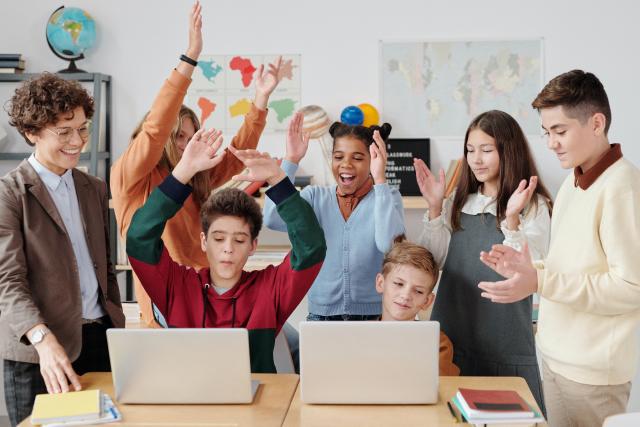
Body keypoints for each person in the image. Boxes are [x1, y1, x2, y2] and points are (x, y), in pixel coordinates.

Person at [479, 70, 640, 427]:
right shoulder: (574, 180)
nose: (550, 143)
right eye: (546, 132)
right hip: (555, 358)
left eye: (560, 131)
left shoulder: (622, 188)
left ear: (596, 123)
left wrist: (540, 282)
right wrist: (529, 269)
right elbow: (572, 267)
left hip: (592, 373)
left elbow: (631, 288)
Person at [111, 1, 282, 328]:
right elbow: (156, 127)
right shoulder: (134, 173)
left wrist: (260, 99)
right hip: (166, 300)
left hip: (207, 290)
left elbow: (235, 156)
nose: (186, 146)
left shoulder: (196, 176)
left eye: (191, 137)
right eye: (178, 137)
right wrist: (191, 55)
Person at [125, 126, 326, 373]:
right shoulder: (178, 286)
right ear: (204, 241)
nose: (228, 250)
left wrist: (278, 179)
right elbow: (138, 238)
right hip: (193, 405)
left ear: (253, 246)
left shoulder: (270, 289)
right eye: (218, 239)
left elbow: (312, 246)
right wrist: (183, 172)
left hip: (258, 405)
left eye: (239, 241)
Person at [0, 73, 125, 427]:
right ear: (32, 132)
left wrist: (114, 320)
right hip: (41, 351)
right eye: (64, 132)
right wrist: (43, 339)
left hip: (100, 338)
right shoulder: (9, 194)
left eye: (83, 129)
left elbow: (103, 267)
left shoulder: (94, 188)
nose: (77, 141)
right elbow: (7, 283)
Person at [414, 110, 553, 413]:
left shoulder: (535, 206)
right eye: (470, 150)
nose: (476, 159)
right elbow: (430, 262)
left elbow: (533, 272)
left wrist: (512, 218)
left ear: (509, 150)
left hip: (506, 342)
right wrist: (436, 207)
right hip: (451, 338)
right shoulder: (458, 202)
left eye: (486, 150)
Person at [263, 112, 405, 321]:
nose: (346, 164)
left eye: (357, 158)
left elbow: (388, 246)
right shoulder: (314, 197)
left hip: (374, 316)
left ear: (373, 161)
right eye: (338, 157)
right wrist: (291, 161)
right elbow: (272, 218)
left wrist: (380, 178)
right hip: (321, 317)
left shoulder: (387, 196)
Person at [374, 234, 460, 376]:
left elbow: (440, 388)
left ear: (427, 301)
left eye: (418, 291)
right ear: (380, 283)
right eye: (398, 283)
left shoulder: (437, 342)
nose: (406, 295)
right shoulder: (357, 336)